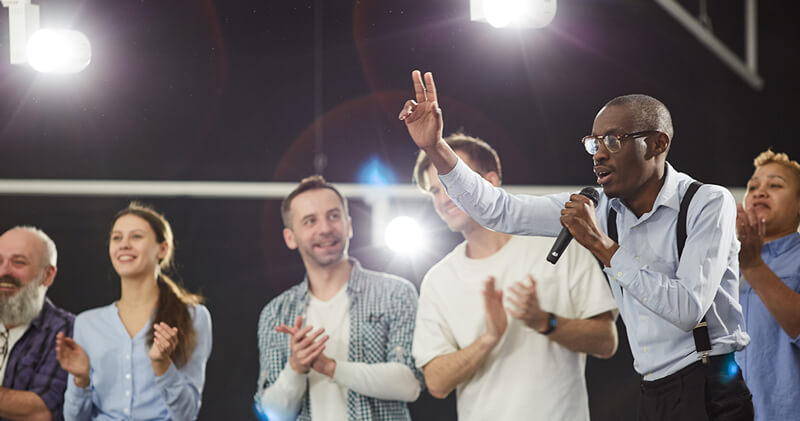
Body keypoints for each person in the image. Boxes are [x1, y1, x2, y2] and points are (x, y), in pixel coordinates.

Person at [399, 70, 752, 420]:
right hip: (652, 389)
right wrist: (435, 148)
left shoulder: (707, 202)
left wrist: (602, 245)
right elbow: (498, 210)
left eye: (613, 140)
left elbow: (687, 308)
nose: (598, 154)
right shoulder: (597, 206)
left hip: (709, 383)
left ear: (658, 143)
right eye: (594, 143)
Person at [411, 133, 618, 420]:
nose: (444, 198)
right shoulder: (438, 279)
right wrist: (489, 338)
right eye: (435, 190)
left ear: (491, 181)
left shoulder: (559, 245)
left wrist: (545, 321)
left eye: (450, 182)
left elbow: (606, 341)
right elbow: (435, 382)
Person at [255, 175, 423, 421]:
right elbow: (272, 413)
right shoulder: (276, 313)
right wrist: (295, 368)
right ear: (290, 238)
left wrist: (330, 367)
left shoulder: (395, 293)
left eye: (333, 216)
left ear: (349, 225)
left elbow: (410, 384)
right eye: (310, 221)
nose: (325, 228)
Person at [55, 203, 212, 421]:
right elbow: (74, 419)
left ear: (162, 249)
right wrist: (80, 380)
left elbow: (186, 415)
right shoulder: (86, 323)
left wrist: (162, 364)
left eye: (136, 237)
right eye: (117, 238)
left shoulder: (193, 317)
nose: (124, 245)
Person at [735, 149, 800, 421]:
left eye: (775, 185)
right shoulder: (726, 266)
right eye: (753, 187)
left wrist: (753, 267)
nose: (760, 192)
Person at [0, 226, 74, 421]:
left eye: (18, 262)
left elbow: (41, 410)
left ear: (47, 275)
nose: (4, 271)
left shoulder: (66, 329)